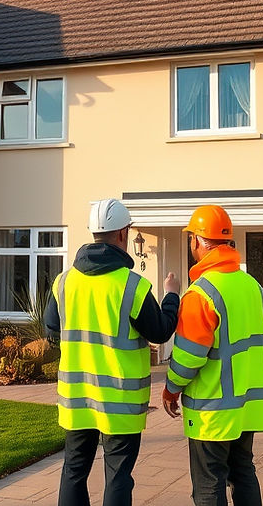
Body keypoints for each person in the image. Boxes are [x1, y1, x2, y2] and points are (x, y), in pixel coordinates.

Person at [45, 198, 181, 506]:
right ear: (122, 234)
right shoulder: (132, 285)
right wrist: (172, 296)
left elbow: (52, 327)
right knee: (118, 474)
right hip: (120, 399)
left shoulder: (64, 282)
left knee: (74, 470)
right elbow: (160, 331)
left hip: (77, 396)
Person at [162, 205, 263, 506]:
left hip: (212, 410)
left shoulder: (200, 294)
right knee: (244, 472)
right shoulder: (254, 287)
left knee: (209, 484)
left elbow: (189, 357)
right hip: (247, 405)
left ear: (198, 241)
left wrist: (171, 389)